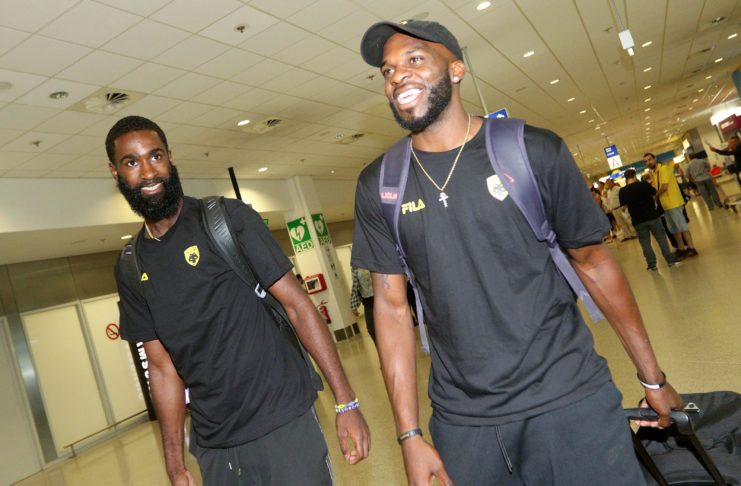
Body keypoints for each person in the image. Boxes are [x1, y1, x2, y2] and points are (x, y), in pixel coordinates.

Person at [352, 19, 683, 486]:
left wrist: (652, 378)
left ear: (456, 70)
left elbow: (593, 264)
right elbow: (390, 308)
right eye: (387, 70)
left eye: (414, 59)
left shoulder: (533, 150)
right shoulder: (379, 185)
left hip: (569, 401)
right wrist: (409, 435)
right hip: (464, 424)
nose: (397, 75)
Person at [107, 116, 369, 486]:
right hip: (216, 445)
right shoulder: (131, 266)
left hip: (282, 418)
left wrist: (347, 402)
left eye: (156, 156)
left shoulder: (226, 219)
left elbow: (298, 306)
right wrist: (175, 462)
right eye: (132, 162)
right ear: (115, 172)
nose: (149, 172)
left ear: (170, 158)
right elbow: (162, 368)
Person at [619, 169, 680, 270]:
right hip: (652, 216)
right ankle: (670, 260)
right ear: (634, 175)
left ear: (625, 178)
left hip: (638, 220)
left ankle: (652, 265)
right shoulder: (644, 184)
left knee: (645, 243)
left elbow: (623, 206)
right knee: (661, 238)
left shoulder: (623, 191)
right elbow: (654, 193)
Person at [644, 153, 698, 258]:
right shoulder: (654, 172)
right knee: (673, 229)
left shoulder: (664, 169)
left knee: (682, 226)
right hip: (665, 205)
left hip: (673, 203)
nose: (648, 162)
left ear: (655, 158)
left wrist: (655, 196)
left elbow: (664, 187)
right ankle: (681, 248)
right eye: (645, 161)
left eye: (649, 159)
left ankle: (691, 248)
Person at [350, 266, 376, 342]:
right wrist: (354, 305)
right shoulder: (355, 267)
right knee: (371, 329)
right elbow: (355, 285)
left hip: (381, 298)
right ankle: (380, 347)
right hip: (368, 302)